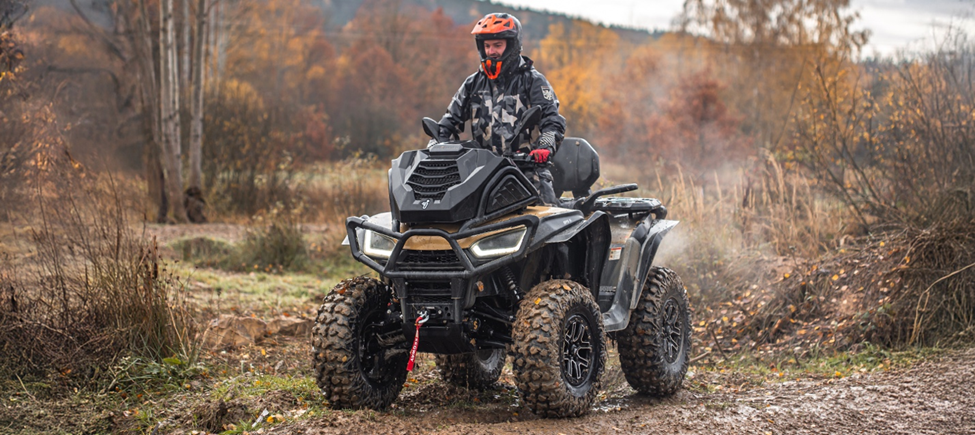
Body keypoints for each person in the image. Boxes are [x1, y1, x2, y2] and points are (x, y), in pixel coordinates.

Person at [433, 12, 565, 205]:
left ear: (512, 45)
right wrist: (438, 144)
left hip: (527, 173)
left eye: (497, 45)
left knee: (543, 219)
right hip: (480, 175)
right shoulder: (473, 83)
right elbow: (449, 122)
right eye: (487, 46)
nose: (491, 51)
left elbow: (552, 122)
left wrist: (544, 147)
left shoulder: (533, 81)